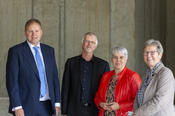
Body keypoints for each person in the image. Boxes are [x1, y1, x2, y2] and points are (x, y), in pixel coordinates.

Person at [6, 19, 61, 116]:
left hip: (48, 105)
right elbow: (12, 81)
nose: (34, 34)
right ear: (25, 33)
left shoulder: (49, 51)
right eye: (30, 31)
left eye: (36, 31)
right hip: (26, 106)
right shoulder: (16, 52)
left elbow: (54, 78)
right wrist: (17, 106)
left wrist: (57, 103)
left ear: (41, 32)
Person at [61, 32, 110, 116]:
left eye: (92, 42)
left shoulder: (103, 65)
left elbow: (107, 90)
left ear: (95, 46)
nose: (89, 44)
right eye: (87, 41)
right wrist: (64, 111)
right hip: (74, 110)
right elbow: (65, 88)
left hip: (95, 110)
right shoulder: (71, 63)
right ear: (82, 43)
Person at [94, 46, 142, 116]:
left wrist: (120, 106)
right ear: (111, 59)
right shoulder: (105, 76)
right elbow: (97, 96)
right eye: (115, 57)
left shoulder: (133, 76)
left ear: (126, 59)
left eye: (121, 57)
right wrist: (100, 104)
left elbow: (139, 101)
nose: (118, 60)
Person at [133, 39, 175, 116]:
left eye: (152, 52)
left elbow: (160, 101)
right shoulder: (145, 75)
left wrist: (137, 114)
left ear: (160, 55)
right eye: (146, 53)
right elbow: (138, 99)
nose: (148, 55)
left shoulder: (166, 73)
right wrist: (135, 112)